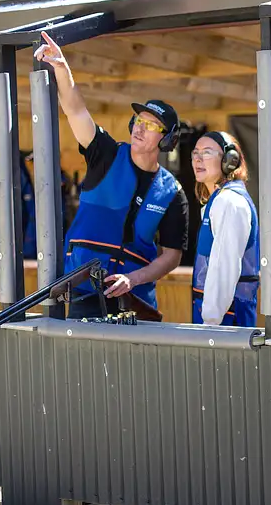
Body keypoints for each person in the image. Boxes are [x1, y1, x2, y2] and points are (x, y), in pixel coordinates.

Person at [33, 31, 189, 318]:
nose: (140, 128)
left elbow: (172, 255)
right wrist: (62, 69)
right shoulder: (105, 153)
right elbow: (75, 110)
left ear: (167, 141)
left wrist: (135, 279)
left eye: (152, 125)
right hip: (84, 291)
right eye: (139, 121)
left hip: (136, 299)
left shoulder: (172, 192)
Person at [190, 130, 260, 326]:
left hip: (224, 325)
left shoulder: (229, 203)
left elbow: (224, 268)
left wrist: (209, 323)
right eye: (195, 153)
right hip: (220, 322)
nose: (198, 158)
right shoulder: (219, 201)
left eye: (206, 152)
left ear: (230, 160)